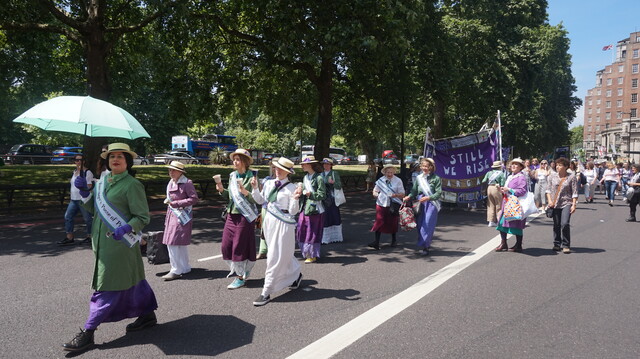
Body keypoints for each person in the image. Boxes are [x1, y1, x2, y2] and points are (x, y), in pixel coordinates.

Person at [62, 143, 156, 352]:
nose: (115, 159)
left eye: (120, 156)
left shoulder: (132, 185)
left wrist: (127, 227)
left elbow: (142, 217)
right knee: (133, 279)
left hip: (120, 244)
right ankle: (147, 314)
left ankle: (88, 332)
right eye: (111, 156)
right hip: (101, 242)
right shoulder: (102, 182)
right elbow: (92, 208)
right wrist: (84, 192)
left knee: (106, 287)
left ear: (128, 161)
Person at [251, 157, 304, 306]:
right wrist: (255, 188)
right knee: (282, 253)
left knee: (274, 256)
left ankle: (266, 291)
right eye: (276, 168)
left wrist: (295, 199)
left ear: (288, 172)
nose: (277, 171)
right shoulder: (268, 183)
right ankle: (295, 275)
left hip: (284, 225)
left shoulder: (292, 188)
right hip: (269, 222)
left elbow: (293, 211)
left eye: (281, 169)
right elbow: (261, 201)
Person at [216, 149, 259, 289]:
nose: (234, 162)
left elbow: (257, 199)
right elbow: (230, 197)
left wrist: (246, 192)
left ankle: (240, 277)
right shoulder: (232, 175)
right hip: (231, 214)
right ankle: (241, 269)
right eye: (233, 159)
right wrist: (222, 190)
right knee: (226, 246)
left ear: (245, 161)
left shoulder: (253, 176)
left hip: (245, 216)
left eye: (238, 159)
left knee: (239, 246)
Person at [161, 161, 199, 281]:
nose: (170, 172)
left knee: (173, 242)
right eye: (170, 170)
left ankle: (175, 269)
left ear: (180, 172)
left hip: (183, 215)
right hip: (172, 214)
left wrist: (177, 203)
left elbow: (194, 199)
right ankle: (184, 267)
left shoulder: (187, 183)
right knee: (176, 242)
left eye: (173, 170)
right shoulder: (171, 182)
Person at [403, 158, 442, 256]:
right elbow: (414, 190)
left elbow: (438, 193)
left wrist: (429, 197)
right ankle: (424, 243)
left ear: (431, 167)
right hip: (420, 203)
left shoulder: (436, 178)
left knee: (428, 224)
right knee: (420, 224)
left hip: (431, 203)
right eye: (422, 166)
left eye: (426, 166)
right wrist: (409, 196)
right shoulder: (419, 178)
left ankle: (426, 246)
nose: (424, 168)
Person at [58, 154, 94, 246]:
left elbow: (90, 188)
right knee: (68, 217)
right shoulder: (74, 172)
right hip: (73, 200)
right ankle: (69, 237)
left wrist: (84, 188)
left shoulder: (87, 172)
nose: (79, 162)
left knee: (88, 219)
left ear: (84, 161)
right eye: (77, 160)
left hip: (83, 200)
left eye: (81, 160)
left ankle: (90, 237)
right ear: (74, 162)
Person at [296, 155, 327, 263]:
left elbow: (323, 195)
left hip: (315, 209)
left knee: (312, 232)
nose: (302, 166)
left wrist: (311, 194)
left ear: (310, 165)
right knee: (301, 229)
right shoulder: (305, 177)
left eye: (304, 164)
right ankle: (305, 252)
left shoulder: (319, 178)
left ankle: (312, 254)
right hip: (305, 207)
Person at [495, 158, 528, 253]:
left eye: (516, 164)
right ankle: (503, 243)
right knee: (501, 222)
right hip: (506, 202)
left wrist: (509, 189)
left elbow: (522, 190)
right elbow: (508, 189)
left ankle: (518, 244)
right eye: (512, 164)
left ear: (521, 167)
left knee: (516, 224)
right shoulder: (510, 176)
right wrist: (502, 190)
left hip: (515, 204)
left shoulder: (521, 177)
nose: (513, 166)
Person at [545, 157, 578, 253]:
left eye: (560, 165)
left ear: (566, 167)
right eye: (557, 165)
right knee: (556, 224)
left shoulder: (571, 177)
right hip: (555, 203)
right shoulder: (552, 176)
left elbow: (575, 192)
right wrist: (550, 201)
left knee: (565, 223)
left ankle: (566, 244)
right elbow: (548, 190)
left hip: (566, 202)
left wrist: (574, 205)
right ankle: (556, 243)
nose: (557, 167)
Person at [368, 164, 404, 250]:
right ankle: (376, 242)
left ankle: (394, 240)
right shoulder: (381, 180)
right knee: (379, 221)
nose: (390, 174)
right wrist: (375, 194)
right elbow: (375, 191)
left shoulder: (398, 180)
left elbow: (402, 194)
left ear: (394, 172)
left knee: (393, 222)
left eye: (391, 172)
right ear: (385, 172)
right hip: (381, 203)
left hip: (393, 204)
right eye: (388, 172)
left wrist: (394, 195)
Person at [321, 158, 344, 244]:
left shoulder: (334, 173)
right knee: (325, 217)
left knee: (334, 215)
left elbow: (339, 186)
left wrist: (333, 183)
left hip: (333, 198)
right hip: (323, 199)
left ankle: (335, 237)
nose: (325, 165)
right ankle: (325, 238)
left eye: (327, 164)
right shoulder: (321, 174)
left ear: (331, 165)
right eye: (324, 164)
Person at [257, 161, 277, 260]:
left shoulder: (283, 181)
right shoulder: (266, 179)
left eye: (276, 167)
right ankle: (262, 251)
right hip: (265, 208)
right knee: (263, 230)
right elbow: (261, 193)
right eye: (272, 167)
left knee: (274, 231)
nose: (274, 169)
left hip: (276, 210)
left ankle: (273, 251)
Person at [482, 160, 506, 227]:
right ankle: (499, 220)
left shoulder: (489, 173)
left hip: (489, 188)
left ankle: (491, 221)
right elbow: (502, 183)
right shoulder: (501, 173)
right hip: (496, 188)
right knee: (499, 204)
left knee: (490, 204)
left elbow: (483, 180)